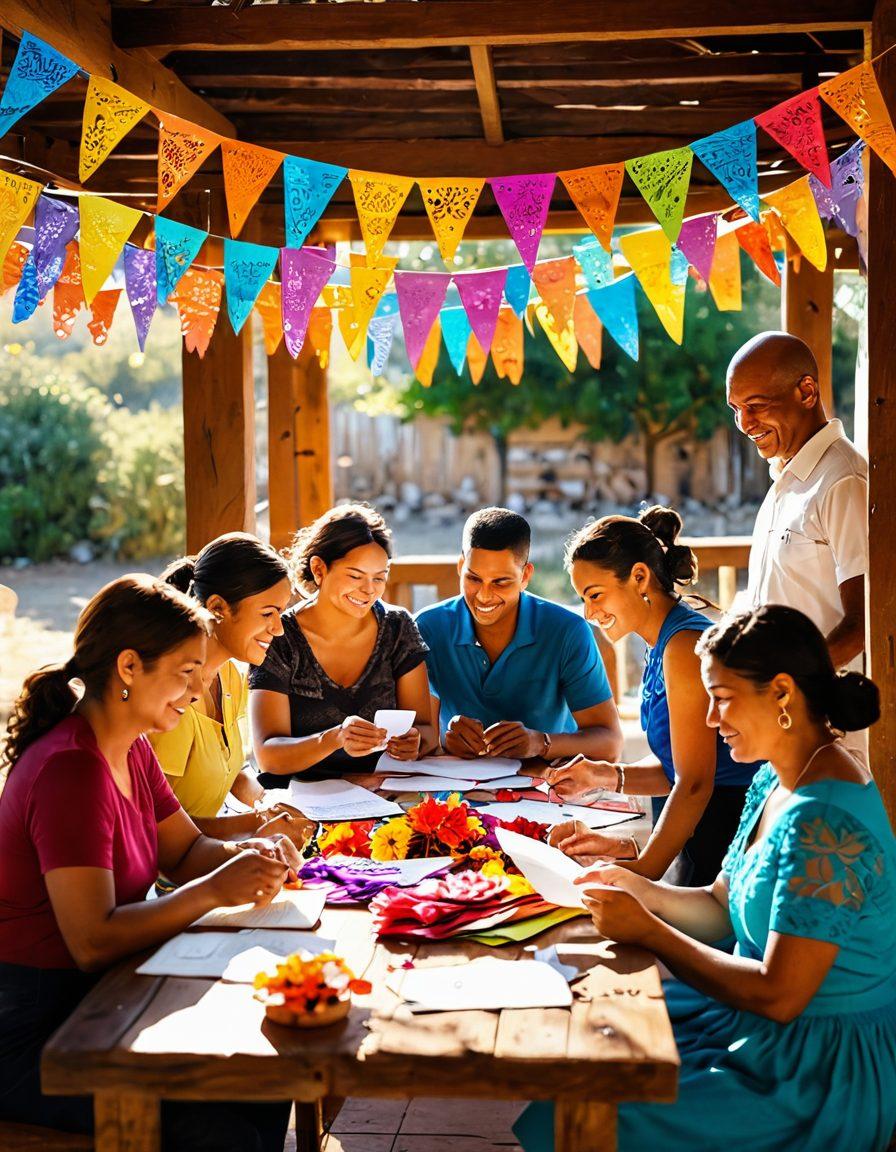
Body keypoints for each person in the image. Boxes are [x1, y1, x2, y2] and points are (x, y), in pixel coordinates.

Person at [515, 605, 896, 1152]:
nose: (711, 720)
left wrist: (648, 930)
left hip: (816, 1068)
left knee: (595, 1107)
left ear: (782, 693)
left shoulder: (824, 817)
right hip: (753, 1024)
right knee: (582, 1047)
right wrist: (637, 888)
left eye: (721, 697)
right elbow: (722, 905)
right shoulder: (775, 776)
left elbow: (781, 994)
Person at [0, 575, 299, 1151]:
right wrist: (215, 890)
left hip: (102, 999)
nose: (196, 690)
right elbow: (90, 939)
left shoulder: (130, 746)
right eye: (187, 672)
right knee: (222, 1129)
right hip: (36, 1034)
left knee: (263, 1075)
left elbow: (185, 852)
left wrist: (251, 855)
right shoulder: (70, 768)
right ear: (130, 666)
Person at [544, 507, 760, 886]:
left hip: (723, 836)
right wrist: (603, 775)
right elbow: (677, 766)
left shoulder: (683, 645)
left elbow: (695, 783)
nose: (589, 612)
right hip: (699, 832)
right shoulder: (662, 640)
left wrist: (642, 873)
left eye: (595, 595)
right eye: (583, 598)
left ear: (639, 577)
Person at [727, 331, 868, 754]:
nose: (745, 424)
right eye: (736, 409)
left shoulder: (844, 481)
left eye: (756, 406)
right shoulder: (786, 480)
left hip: (831, 733)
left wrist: (785, 687)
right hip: (783, 724)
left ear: (807, 391)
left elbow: (864, 624)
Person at [415, 507, 622, 761]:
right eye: (474, 578)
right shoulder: (428, 628)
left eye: (501, 582)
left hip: (550, 785)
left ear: (525, 576)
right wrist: (447, 741)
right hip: (460, 788)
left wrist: (541, 743)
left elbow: (610, 744)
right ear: (460, 566)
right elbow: (422, 740)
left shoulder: (567, 632)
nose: (484, 595)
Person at [250, 504, 436, 783]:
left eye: (379, 578)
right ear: (319, 569)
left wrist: (415, 742)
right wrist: (334, 738)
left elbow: (428, 731)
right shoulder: (281, 637)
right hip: (298, 803)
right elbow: (268, 756)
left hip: (383, 794)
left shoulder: (398, 627)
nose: (369, 590)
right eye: (355, 576)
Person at [154, 533, 312, 848]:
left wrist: (268, 804)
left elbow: (233, 770)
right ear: (217, 608)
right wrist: (255, 824)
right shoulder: (171, 693)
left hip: (207, 860)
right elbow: (155, 825)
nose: (279, 629)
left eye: (281, 613)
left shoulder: (231, 675)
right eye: (268, 613)